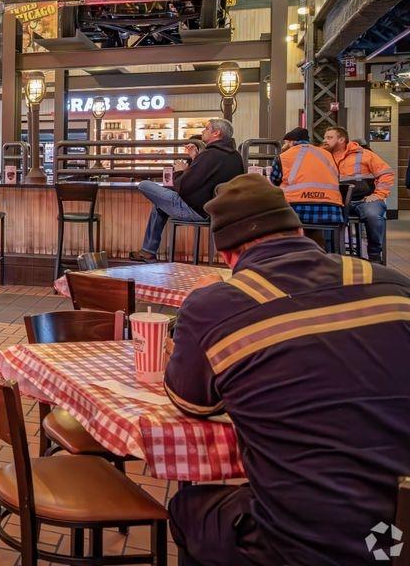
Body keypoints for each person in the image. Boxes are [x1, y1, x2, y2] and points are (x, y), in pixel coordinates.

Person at [165, 173, 410, 565]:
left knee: (188, 508)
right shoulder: (393, 285)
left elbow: (191, 404)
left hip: (309, 541)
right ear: (298, 230)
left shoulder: (216, 305)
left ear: (227, 256)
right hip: (396, 533)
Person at [129, 118, 244, 262]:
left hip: (197, 210)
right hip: (219, 212)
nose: (203, 131)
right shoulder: (235, 156)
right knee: (159, 204)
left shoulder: (209, 155)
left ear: (216, 133)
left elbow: (183, 187)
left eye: (206, 128)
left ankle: (148, 252)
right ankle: (148, 251)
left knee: (144, 185)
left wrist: (180, 171)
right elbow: (205, 180)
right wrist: (195, 159)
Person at [323, 125, 394, 263]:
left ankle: (374, 257)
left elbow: (387, 174)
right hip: (338, 202)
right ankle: (331, 256)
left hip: (365, 200)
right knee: (323, 215)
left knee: (373, 215)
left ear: (341, 139)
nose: (325, 140)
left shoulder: (364, 154)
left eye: (330, 137)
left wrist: (379, 194)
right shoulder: (323, 156)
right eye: (325, 137)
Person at [269, 127, 345, 240]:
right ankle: (326, 249)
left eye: (286, 142)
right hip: (331, 211)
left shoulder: (284, 156)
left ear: (292, 141)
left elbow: (274, 181)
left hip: (296, 211)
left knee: (271, 215)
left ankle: (287, 250)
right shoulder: (327, 155)